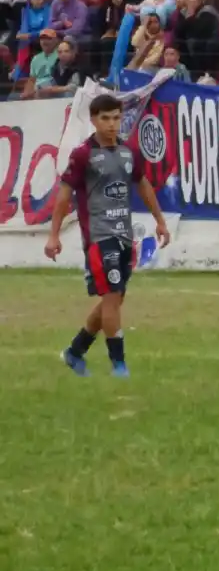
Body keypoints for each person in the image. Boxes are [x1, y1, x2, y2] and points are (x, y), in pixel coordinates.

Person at [46, 93, 171, 379]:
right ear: (93, 120)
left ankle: (75, 352)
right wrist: (54, 236)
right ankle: (119, 366)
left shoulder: (128, 152)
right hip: (99, 237)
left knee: (112, 301)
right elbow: (64, 196)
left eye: (116, 117)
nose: (112, 124)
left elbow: (143, 185)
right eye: (105, 118)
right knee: (112, 298)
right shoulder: (82, 154)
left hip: (124, 235)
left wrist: (160, 221)